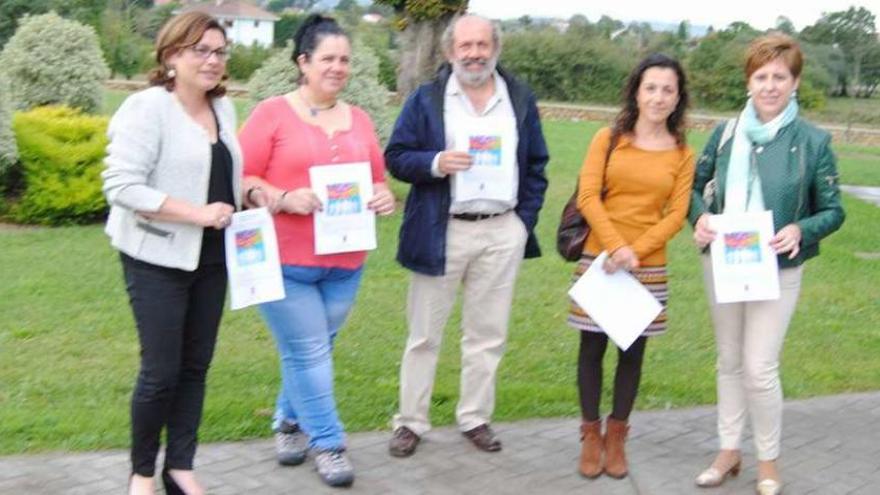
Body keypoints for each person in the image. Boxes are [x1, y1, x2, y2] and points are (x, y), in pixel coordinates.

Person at [237, 14, 394, 489]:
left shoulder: (361, 119)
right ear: (303, 62)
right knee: (309, 351)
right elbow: (241, 180)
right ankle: (327, 443)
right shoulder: (271, 114)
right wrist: (282, 198)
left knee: (312, 350)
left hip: (346, 264)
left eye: (345, 59)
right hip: (284, 264)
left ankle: (287, 423)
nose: (339, 67)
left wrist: (384, 196)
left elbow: (379, 179)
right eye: (328, 58)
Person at [386, 14, 549, 457]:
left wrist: (522, 223)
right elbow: (397, 157)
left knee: (487, 334)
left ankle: (475, 417)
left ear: (494, 48)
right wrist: (436, 162)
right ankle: (411, 422)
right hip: (443, 230)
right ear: (449, 52)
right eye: (466, 46)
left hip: (500, 232)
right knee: (424, 335)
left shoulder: (517, 97)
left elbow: (536, 165)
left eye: (482, 44)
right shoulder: (428, 99)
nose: (474, 53)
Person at [689, 33, 844, 495]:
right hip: (725, 262)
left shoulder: (814, 141)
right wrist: (699, 218)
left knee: (759, 366)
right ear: (749, 81)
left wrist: (801, 230)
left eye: (780, 76)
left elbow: (833, 209)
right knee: (730, 361)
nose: (770, 85)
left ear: (794, 82)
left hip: (777, 268)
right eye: (761, 76)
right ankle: (728, 452)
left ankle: (768, 462)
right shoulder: (725, 133)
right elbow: (695, 190)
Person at [102, 11, 240, 495]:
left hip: (214, 260)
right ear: (171, 55)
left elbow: (223, 174)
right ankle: (142, 473)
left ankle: (180, 466)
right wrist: (196, 213)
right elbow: (121, 186)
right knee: (160, 372)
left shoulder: (224, 109)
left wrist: (252, 198)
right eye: (199, 49)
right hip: (155, 259)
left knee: (195, 367)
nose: (212, 60)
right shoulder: (146, 108)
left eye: (219, 51)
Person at [569, 53, 695, 480]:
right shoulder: (607, 138)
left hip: (647, 265)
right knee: (591, 348)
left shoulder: (683, 153)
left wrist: (634, 250)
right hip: (599, 258)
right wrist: (616, 247)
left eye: (668, 90)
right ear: (636, 92)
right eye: (651, 87)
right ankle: (590, 435)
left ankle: (617, 436)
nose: (658, 97)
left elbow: (676, 215)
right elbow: (588, 196)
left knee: (632, 352)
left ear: (678, 98)